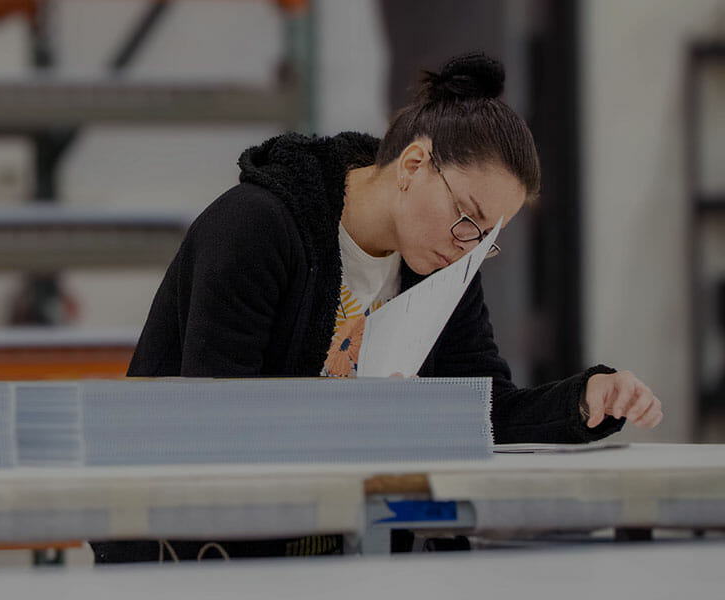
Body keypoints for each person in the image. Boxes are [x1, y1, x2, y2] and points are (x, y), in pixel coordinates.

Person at [93, 52, 663, 564]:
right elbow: (216, 422)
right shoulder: (256, 228)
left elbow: (477, 412)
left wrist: (584, 400)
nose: (469, 246)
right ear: (414, 165)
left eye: (487, 238)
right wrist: (371, 418)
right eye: (467, 216)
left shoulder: (445, 259)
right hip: (195, 555)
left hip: (345, 547)